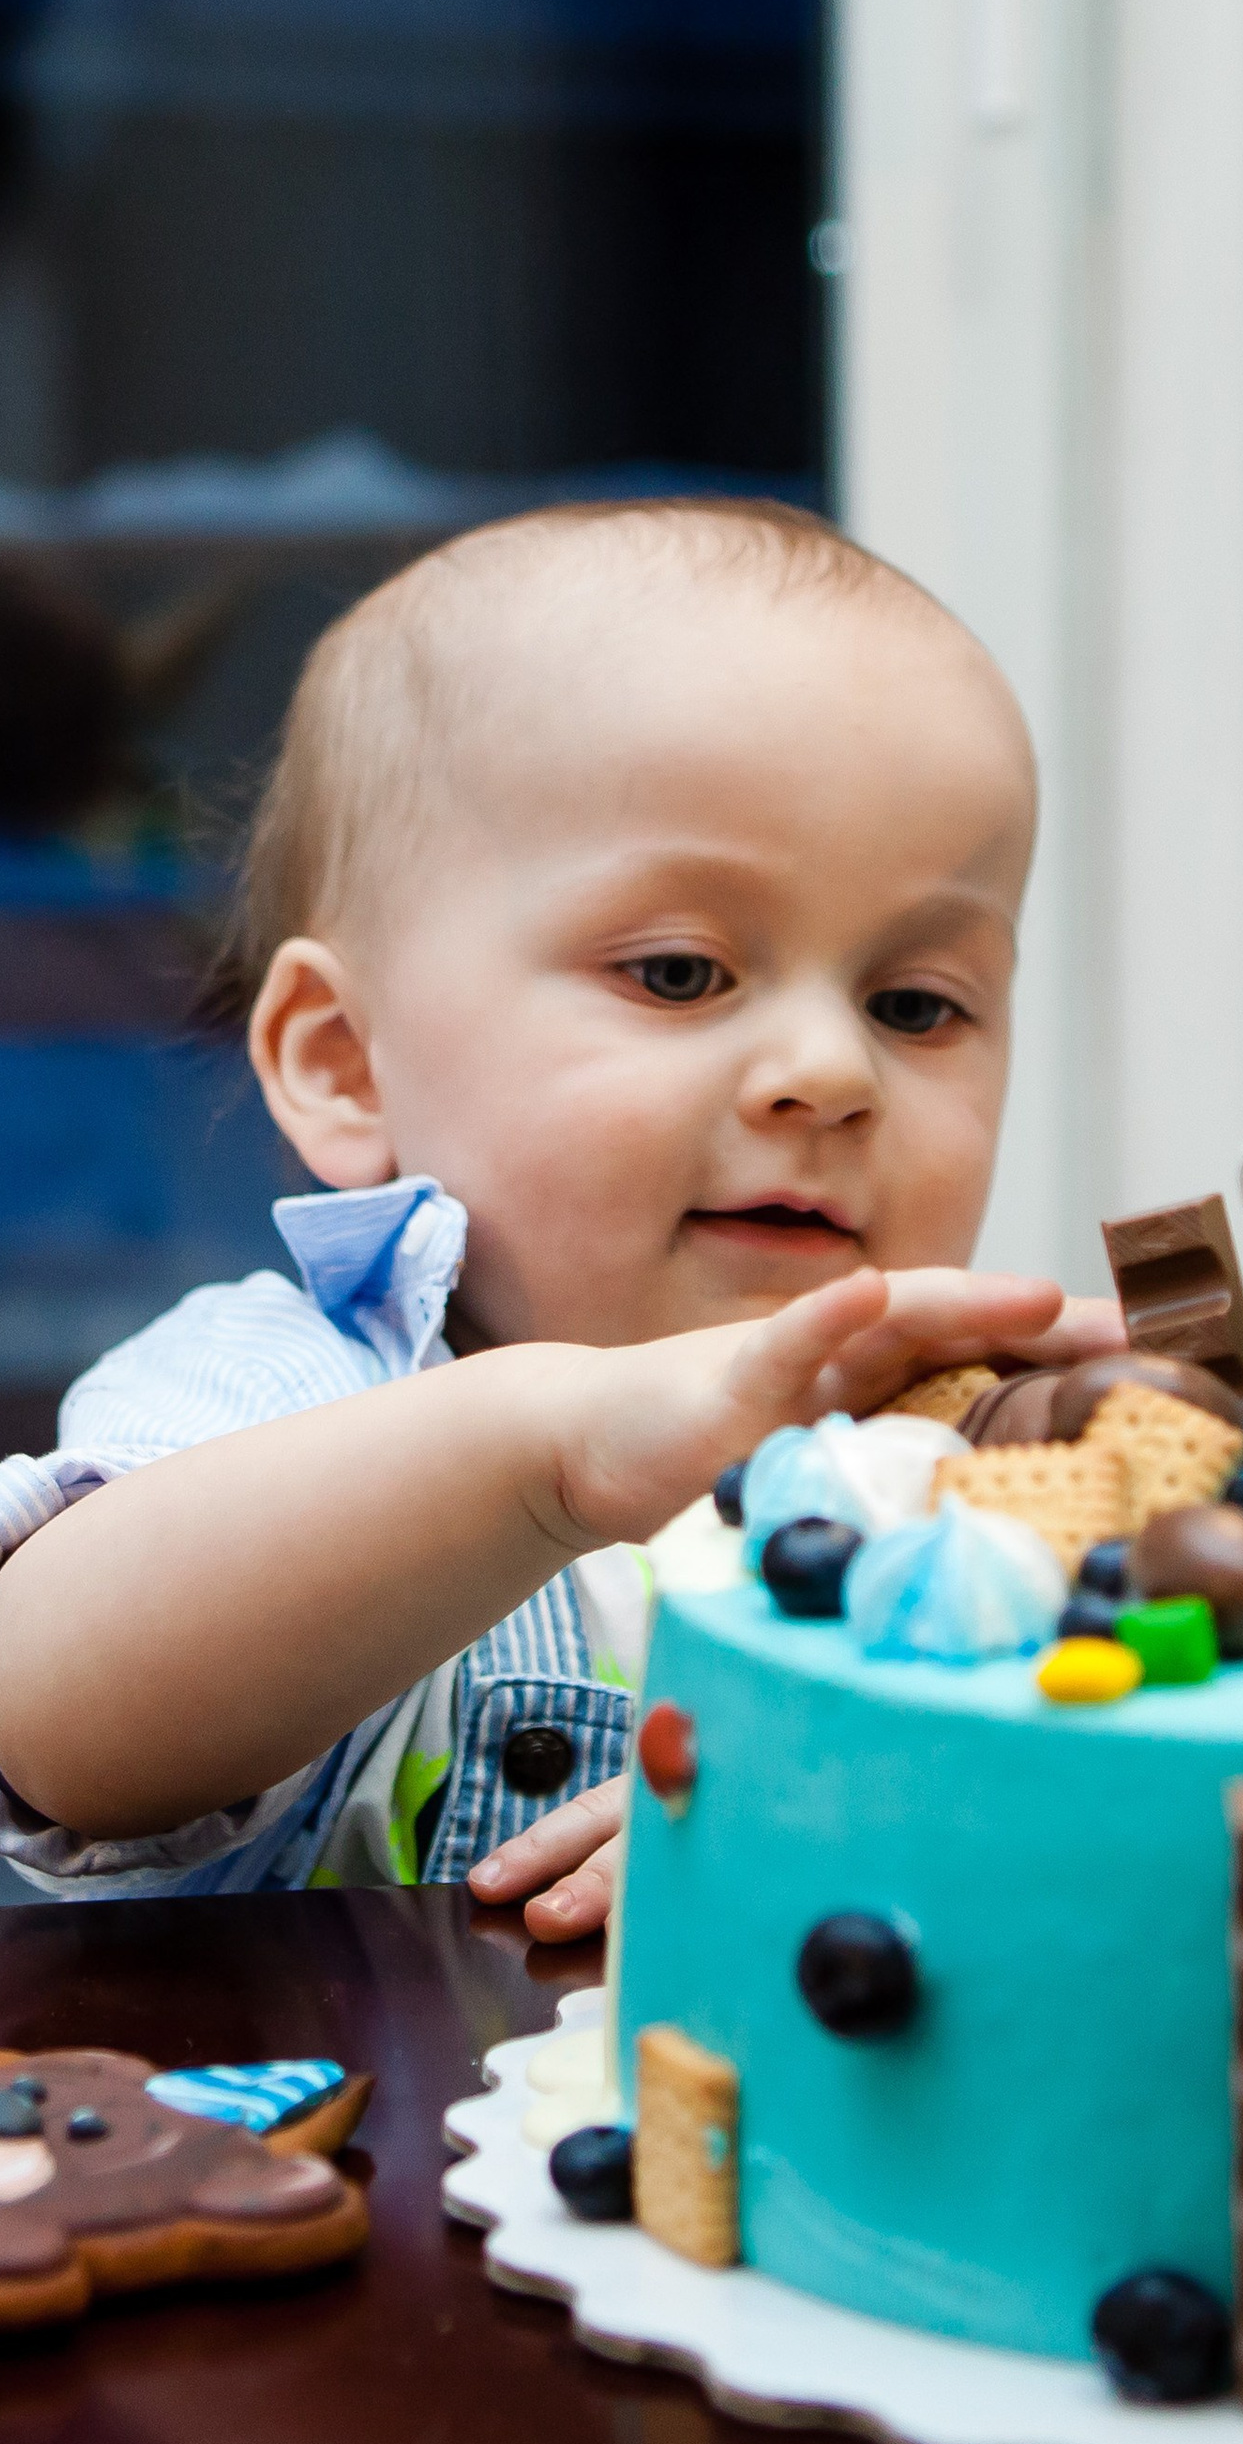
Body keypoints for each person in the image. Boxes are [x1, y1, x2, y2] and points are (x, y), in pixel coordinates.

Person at [0, 500, 1116, 1938]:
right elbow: (46, 1712)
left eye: (915, 1005)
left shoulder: (990, 1472)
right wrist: (548, 1457)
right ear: (346, 1062)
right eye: (678, 973)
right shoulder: (291, 1384)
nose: (833, 1071)